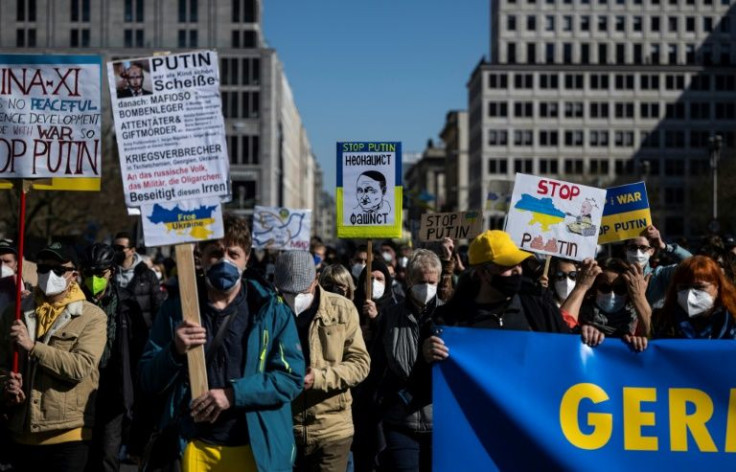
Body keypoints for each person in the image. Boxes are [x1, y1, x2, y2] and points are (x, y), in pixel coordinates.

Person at [138, 213, 305, 472]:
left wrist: (232, 395)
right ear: (201, 257)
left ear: (246, 259)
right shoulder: (176, 310)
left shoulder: (271, 311)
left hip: (255, 449)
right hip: (193, 446)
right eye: (215, 253)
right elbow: (148, 380)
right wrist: (174, 351)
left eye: (233, 254)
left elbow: (290, 378)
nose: (224, 261)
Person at [0, 242, 107, 472]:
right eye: (43, 268)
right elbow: (2, 365)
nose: (49, 275)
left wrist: (33, 347)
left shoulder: (92, 317)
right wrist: (6, 384)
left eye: (58, 270)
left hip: (67, 436)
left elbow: (81, 367)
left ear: (74, 276)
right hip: (21, 434)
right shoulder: (15, 311)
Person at [273, 251, 370, 472]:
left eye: (303, 291)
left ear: (316, 280)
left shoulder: (342, 309)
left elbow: (360, 364)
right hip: (285, 429)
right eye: (290, 292)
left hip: (332, 430)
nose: (296, 297)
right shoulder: (271, 311)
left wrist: (319, 378)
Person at [422, 230, 570, 363]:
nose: (517, 271)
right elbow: (426, 383)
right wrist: (426, 356)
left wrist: (589, 333)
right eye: (506, 266)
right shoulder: (449, 321)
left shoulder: (538, 306)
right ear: (482, 272)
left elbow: (568, 349)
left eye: (518, 264)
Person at [368, 249, 443, 472]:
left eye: (432, 282)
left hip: (439, 422)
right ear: (409, 280)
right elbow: (377, 365)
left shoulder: (448, 317)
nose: (427, 288)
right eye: (422, 281)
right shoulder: (390, 316)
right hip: (400, 421)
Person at [79, 243, 149, 472]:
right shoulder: (73, 303)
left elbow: (139, 348)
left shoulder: (126, 304)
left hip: (113, 390)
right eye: (88, 273)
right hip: (78, 389)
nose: (93, 279)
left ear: (112, 272)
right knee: (80, 456)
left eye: (100, 273)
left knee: (107, 456)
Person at [560, 258, 651, 352]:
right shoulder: (580, 314)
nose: (612, 294)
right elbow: (561, 328)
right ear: (595, 289)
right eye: (605, 287)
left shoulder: (637, 321)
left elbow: (652, 336)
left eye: (620, 289)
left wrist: (639, 297)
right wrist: (581, 286)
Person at [653, 255, 736, 340]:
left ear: (717, 287)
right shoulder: (666, 320)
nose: (689, 295)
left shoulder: (731, 319)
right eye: (683, 287)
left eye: (699, 287)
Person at [624, 225, 691, 308]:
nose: (638, 252)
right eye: (633, 247)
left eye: (643, 248)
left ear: (651, 251)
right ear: (625, 250)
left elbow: (692, 265)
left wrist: (664, 246)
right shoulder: (616, 277)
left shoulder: (660, 275)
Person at [113, 232, 163, 329]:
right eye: (114, 248)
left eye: (120, 248)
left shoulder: (148, 275)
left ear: (132, 250)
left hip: (143, 332)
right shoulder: (110, 274)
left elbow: (158, 306)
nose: (116, 251)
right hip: (118, 333)